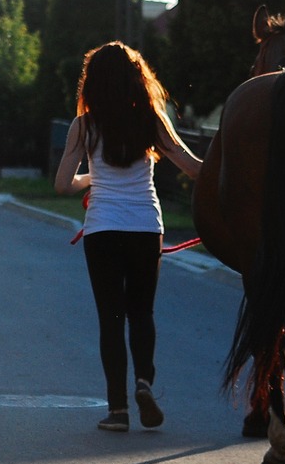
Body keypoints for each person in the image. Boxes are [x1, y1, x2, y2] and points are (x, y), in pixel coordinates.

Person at [54, 41, 202, 432]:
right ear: (138, 79)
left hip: (102, 230)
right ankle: (144, 382)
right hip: (144, 229)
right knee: (142, 314)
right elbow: (193, 168)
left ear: (93, 83)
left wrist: (92, 177)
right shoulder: (151, 120)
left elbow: (62, 185)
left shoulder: (84, 126)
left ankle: (117, 411)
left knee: (110, 319)